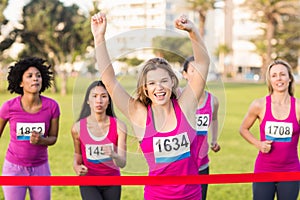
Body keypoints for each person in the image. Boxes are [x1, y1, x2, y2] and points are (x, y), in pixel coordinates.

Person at [91, 12, 210, 200]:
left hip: (191, 196)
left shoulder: (185, 106)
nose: (159, 87)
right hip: (157, 196)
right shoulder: (140, 115)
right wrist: (99, 37)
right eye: (152, 83)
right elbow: (110, 81)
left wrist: (193, 31)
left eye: (163, 81)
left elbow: (202, 64)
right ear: (145, 89)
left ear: (172, 82)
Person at [0, 57, 60, 200]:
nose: (35, 79)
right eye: (30, 76)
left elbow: (53, 138)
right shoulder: (9, 107)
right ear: (20, 82)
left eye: (38, 76)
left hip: (41, 168)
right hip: (13, 169)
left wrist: (41, 140)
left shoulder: (52, 107)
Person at [239, 60, 300, 200]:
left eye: (282, 74)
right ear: (269, 80)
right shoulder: (259, 105)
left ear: (289, 78)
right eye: (274, 75)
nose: (278, 78)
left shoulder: (298, 107)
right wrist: (258, 144)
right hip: (264, 169)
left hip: (291, 170)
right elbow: (243, 129)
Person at [71, 80, 127, 200]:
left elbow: (122, 163)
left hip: (112, 182)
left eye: (103, 96)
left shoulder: (120, 127)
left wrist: (114, 155)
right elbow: (77, 158)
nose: (99, 101)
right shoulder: (77, 128)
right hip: (89, 182)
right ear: (88, 101)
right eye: (94, 96)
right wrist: (77, 167)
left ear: (109, 100)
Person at [182, 56, 221, 200]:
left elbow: (215, 119)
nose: (197, 74)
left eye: (200, 70)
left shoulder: (213, 101)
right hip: (180, 166)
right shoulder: (176, 98)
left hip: (201, 164)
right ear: (184, 74)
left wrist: (214, 139)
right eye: (192, 70)